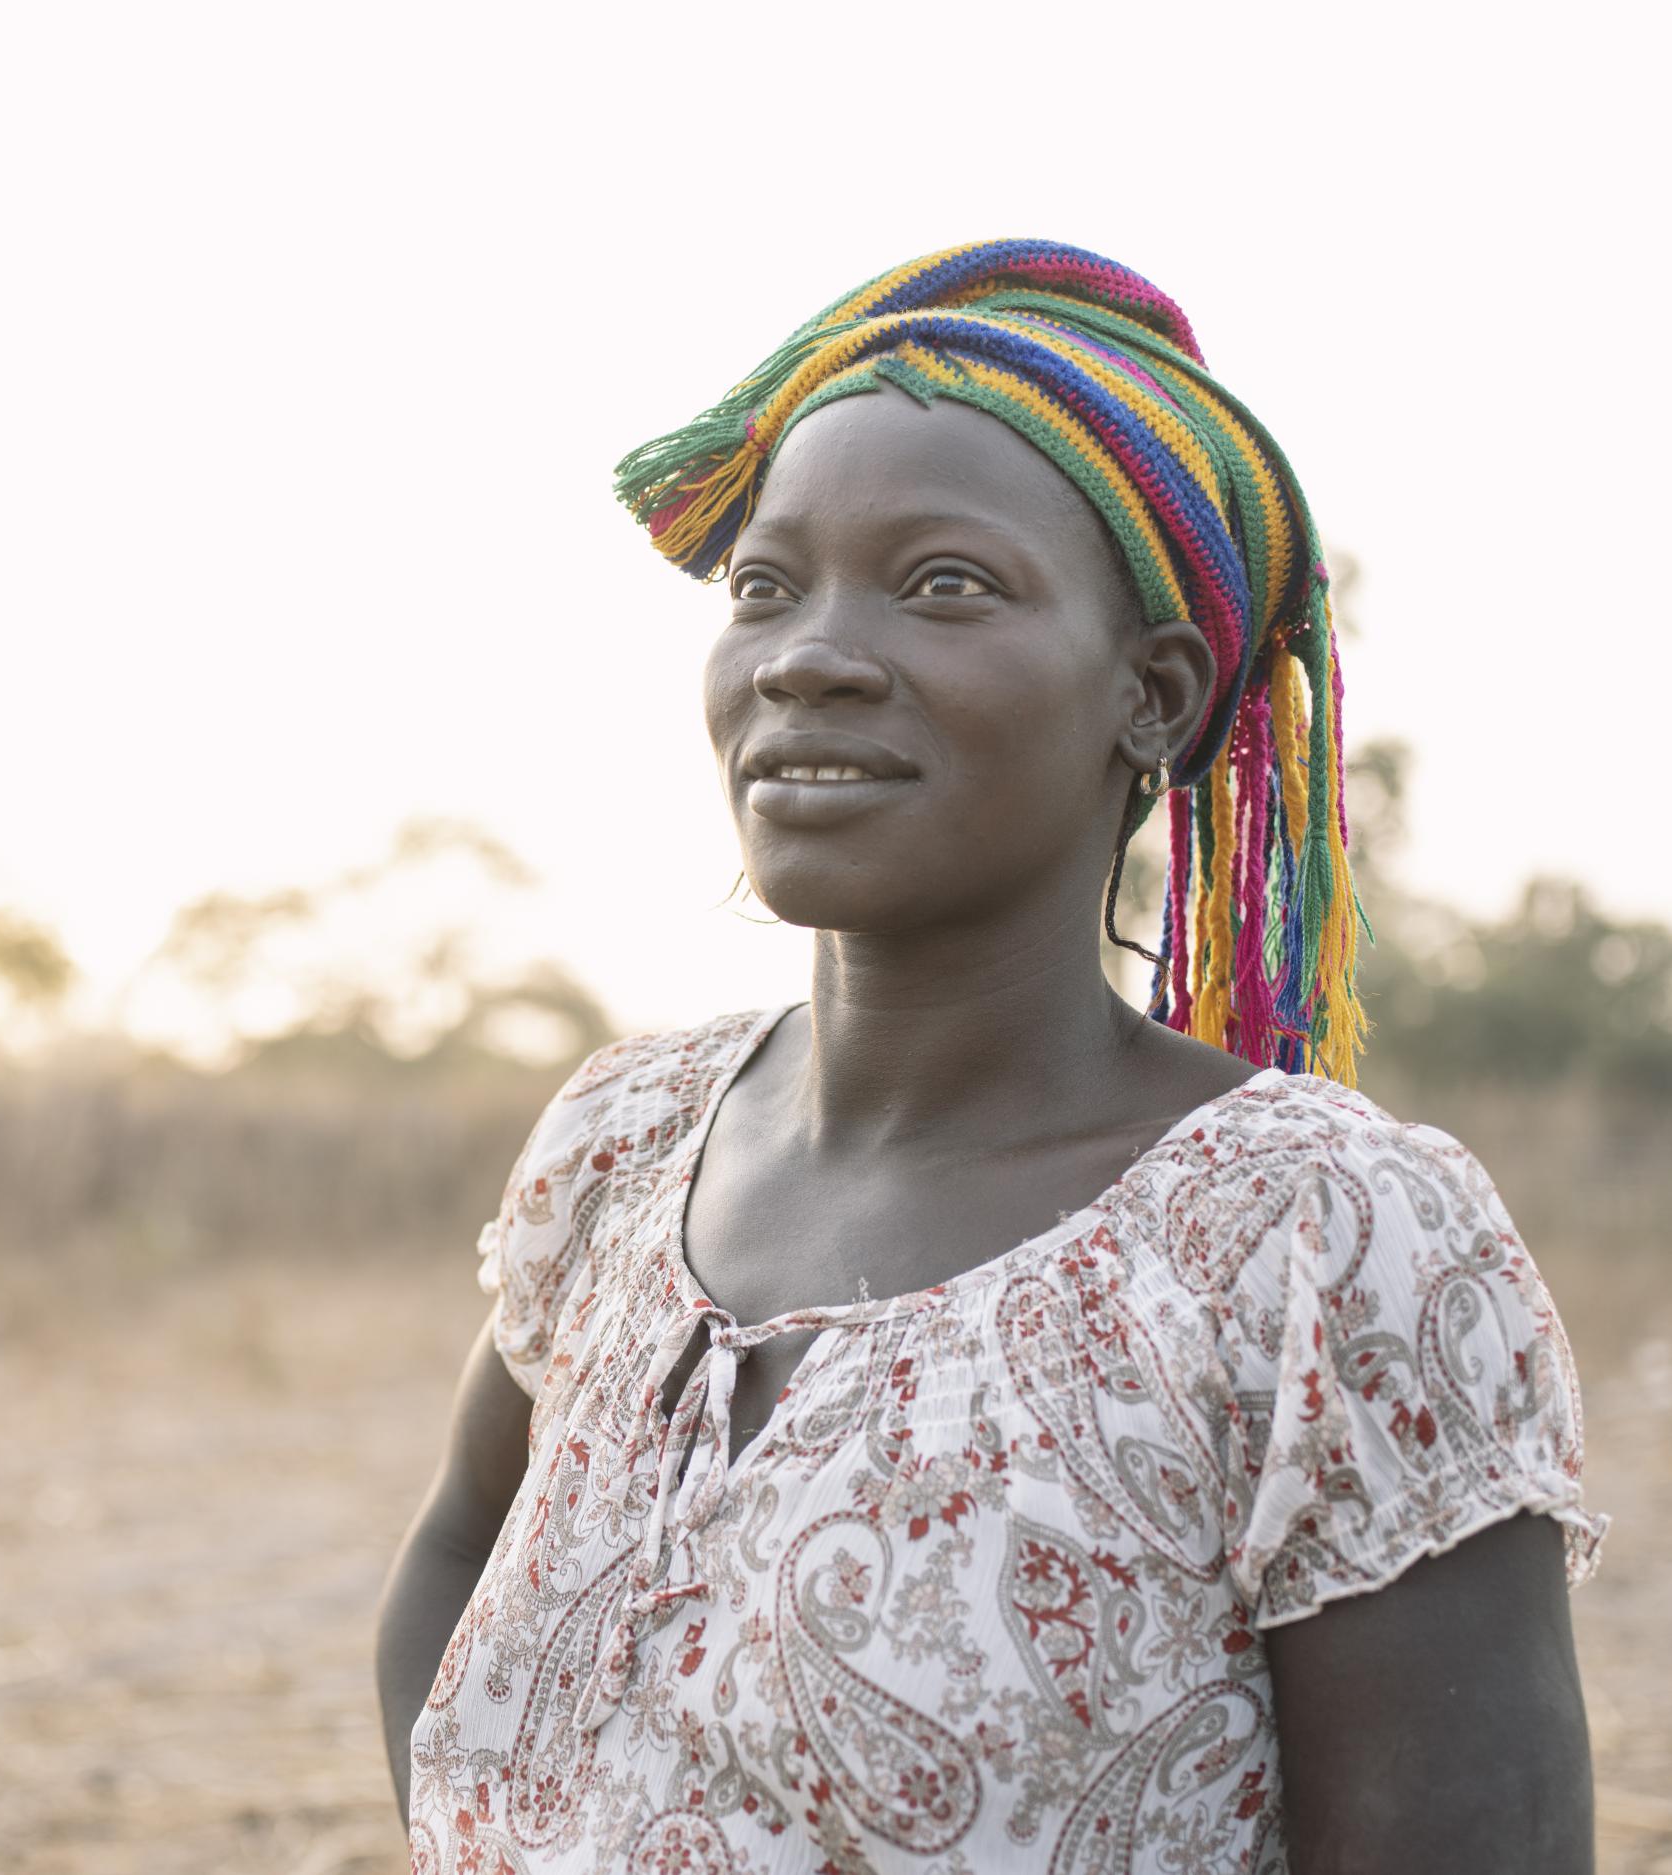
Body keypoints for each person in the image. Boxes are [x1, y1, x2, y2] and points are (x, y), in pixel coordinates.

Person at [374, 241, 1606, 1874]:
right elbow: (458, 1553)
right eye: (765, 584)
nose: (808, 653)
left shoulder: (1327, 1237)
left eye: (945, 583)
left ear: (1151, 699)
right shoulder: (626, 1138)